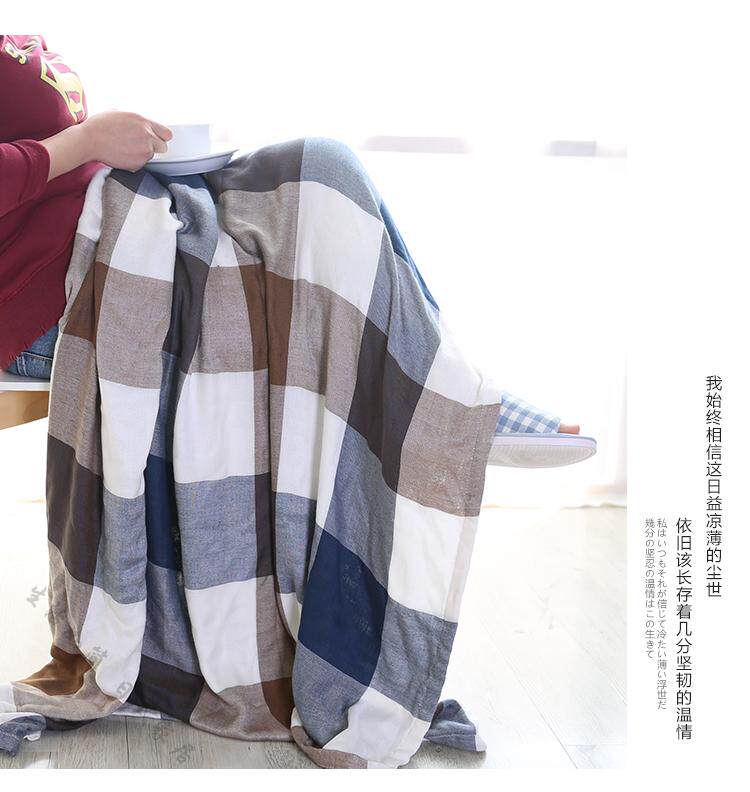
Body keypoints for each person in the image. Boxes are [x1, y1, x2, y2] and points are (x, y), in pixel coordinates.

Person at [0, 34, 580, 440]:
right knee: (297, 295)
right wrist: (87, 140)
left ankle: (446, 378)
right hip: (51, 306)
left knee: (319, 171)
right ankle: (448, 405)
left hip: (111, 242)